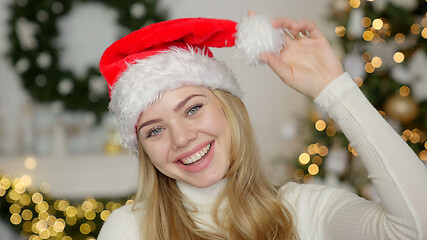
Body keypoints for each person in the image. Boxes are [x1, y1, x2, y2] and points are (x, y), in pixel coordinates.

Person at [97, 13, 427, 240]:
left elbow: (416, 228)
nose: (181, 138)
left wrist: (336, 91)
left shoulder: (302, 210)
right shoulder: (130, 230)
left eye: (193, 109)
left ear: (229, 109)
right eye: (154, 130)